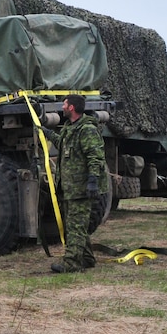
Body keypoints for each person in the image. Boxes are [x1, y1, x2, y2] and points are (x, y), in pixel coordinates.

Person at [44, 94, 108, 273]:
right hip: (70, 188)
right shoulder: (70, 128)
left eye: (64, 104)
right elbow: (64, 144)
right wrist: (48, 134)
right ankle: (86, 257)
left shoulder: (86, 129)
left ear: (71, 107)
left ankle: (72, 262)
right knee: (75, 224)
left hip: (81, 188)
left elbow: (95, 156)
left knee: (75, 225)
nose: (62, 106)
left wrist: (93, 180)